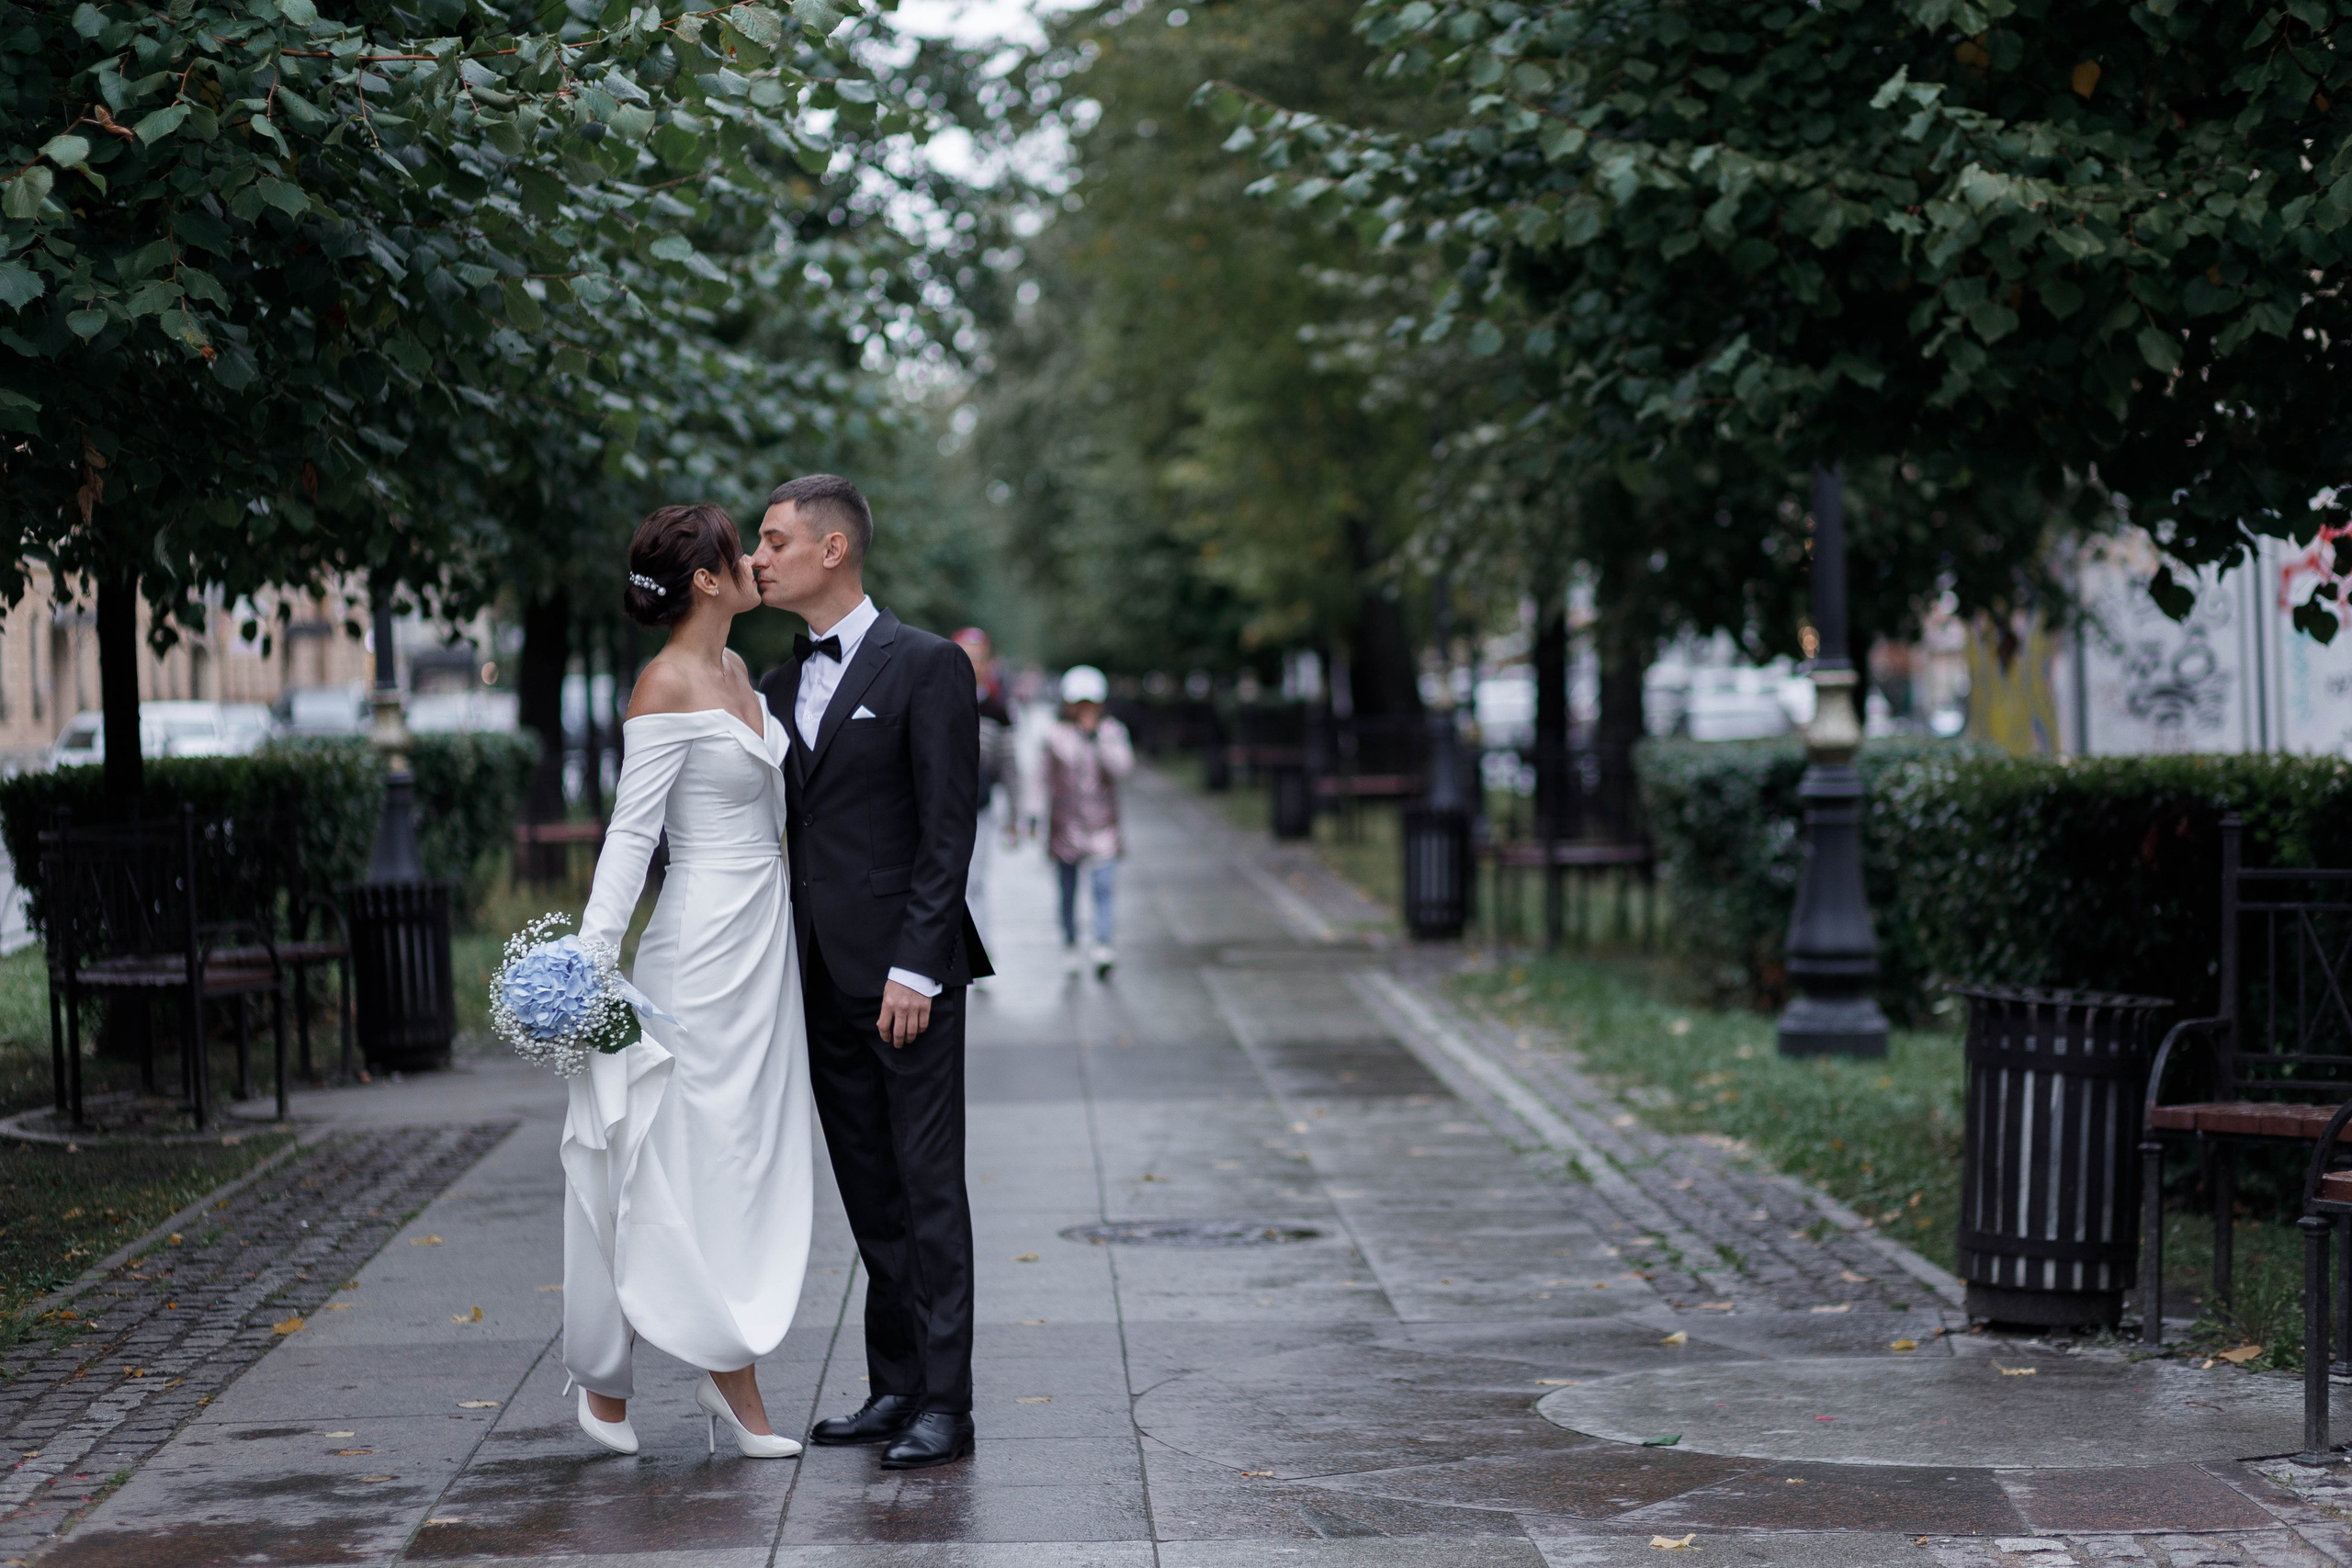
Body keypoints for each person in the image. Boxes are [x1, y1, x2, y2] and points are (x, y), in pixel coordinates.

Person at [751, 474, 992, 1471]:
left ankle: (948, 1401)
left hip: (907, 980)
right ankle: (894, 1386)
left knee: (928, 1186)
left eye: (772, 541)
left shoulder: (927, 666)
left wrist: (915, 968)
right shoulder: (768, 686)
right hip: (812, 977)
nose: (756, 559)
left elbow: (947, 832)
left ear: (832, 550)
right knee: (868, 1189)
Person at [562, 503, 808, 1461]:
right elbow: (632, 839)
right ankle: (629, 1383)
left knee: (737, 1161)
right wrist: (588, 967)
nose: (754, 558)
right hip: (698, 952)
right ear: (705, 581)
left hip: (762, 949)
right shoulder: (663, 684)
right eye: (736, 549)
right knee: (667, 1164)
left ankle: (718, 1371)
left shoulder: (740, 671)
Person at [1043, 664, 1133, 980]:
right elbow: (1041, 780)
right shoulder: (1055, 735)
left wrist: (1096, 739)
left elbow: (1122, 770)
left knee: (1103, 886)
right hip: (1065, 827)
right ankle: (1070, 944)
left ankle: (1103, 944)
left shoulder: (1112, 733)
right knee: (1067, 892)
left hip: (1102, 826)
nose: (1084, 710)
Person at [951, 626, 1020, 967]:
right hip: (938, 810)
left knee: (974, 881)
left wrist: (1016, 816)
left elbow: (1009, 766)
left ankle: (977, 947)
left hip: (979, 810)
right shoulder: (936, 699)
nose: (972, 665)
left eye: (979, 659)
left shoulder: (998, 710)